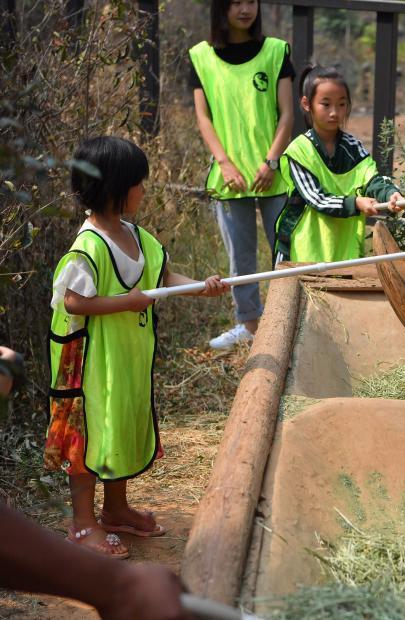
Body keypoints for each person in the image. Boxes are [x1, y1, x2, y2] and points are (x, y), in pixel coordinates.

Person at [46, 136, 229, 560]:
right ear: (116, 187)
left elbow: (164, 278)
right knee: (92, 434)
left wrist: (202, 288)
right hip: (92, 364)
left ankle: (115, 509)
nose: (144, 190)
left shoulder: (134, 235)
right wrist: (128, 302)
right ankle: (82, 523)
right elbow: (73, 301)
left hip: (127, 359)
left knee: (123, 424)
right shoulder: (88, 247)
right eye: (139, 183)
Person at [1, 346, 191, 619]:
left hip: (121, 344)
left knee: (116, 419)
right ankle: (83, 524)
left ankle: (116, 509)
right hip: (85, 343)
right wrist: (118, 586)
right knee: (86, 424)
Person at [190, 0, 294, 349]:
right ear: (221, 8)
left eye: (251, 1)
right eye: (235, 2)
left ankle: (293, 322)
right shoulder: (201, 56)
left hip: (272, 175)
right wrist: (224, 162)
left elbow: (286, 114)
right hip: (228, 179)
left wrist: (272, 162)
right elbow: (204, 119)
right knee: (241, 258)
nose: (244, 8)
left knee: (287, 251)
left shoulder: (276, 51)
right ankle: (250, 325)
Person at [274, 65, 405, 264]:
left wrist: (390, 194)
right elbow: (317, 199)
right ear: (307, 104)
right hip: (298, 253)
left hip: (343, 252)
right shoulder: (298, 151)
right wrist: (356, 203)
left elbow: (372, 179)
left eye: (342, 104)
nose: (335, 112)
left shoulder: (353, 146)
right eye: (326, 104)